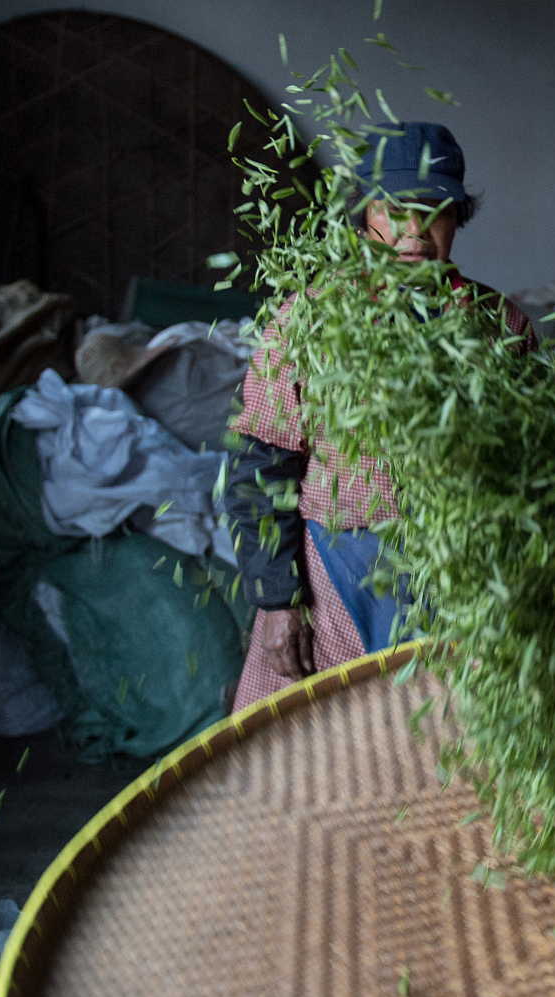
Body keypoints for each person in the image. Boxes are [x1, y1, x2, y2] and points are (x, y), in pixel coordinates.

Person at [223, 122, 532, 709]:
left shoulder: (501, 328)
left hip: (462, 579)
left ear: (456, 218)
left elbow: (537, 464)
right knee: (335, 749)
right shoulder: (311, 318)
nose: (415, 231)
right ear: (364, 217)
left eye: (434, 209)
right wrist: (277, 599)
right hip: (337, 576)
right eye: (395, 210)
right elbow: (262, 464)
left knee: (448, 746)